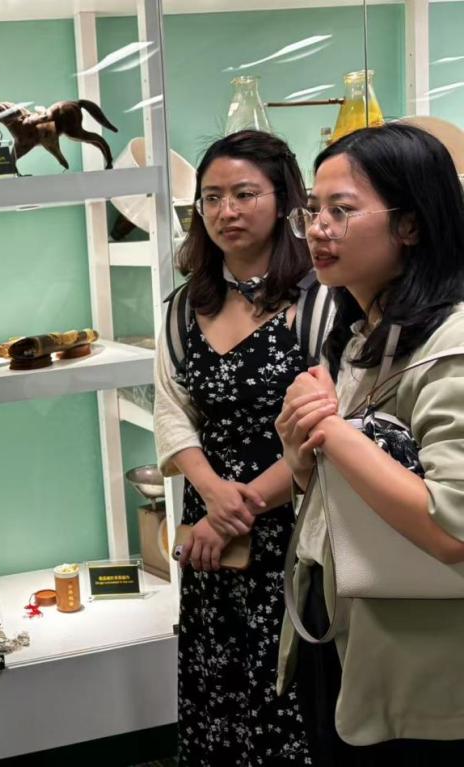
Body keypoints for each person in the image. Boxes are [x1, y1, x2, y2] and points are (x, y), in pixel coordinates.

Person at [276, 123, 464, 764]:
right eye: (313, 211)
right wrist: (302, 456)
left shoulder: (450, 349)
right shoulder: (362, 337)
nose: (319, 229)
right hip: (345, 626)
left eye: (343, 210)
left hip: (419, 666)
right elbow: (353, 495)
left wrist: (331, 434)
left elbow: (452, 527)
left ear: (410, 224)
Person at [154, 130, 331, 765]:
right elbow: (173, 412)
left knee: (293, 685)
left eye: (245, 194)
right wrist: (212, 498)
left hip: (297, 523)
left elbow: (331, 428)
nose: (226, 211)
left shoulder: (321, 301)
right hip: (212, 530)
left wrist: (241, 506)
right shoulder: (185, 307)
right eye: (211, 197)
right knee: (216, 676)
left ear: (285, 201)